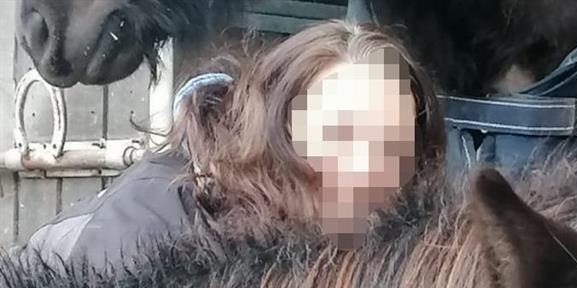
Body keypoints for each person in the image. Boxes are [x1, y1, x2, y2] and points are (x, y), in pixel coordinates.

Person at [19, 20, 446, 271]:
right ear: (275, 131)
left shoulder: (333, 238)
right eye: (340, 135)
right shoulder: (153, 237)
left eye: (393, 146)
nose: (367, 167)